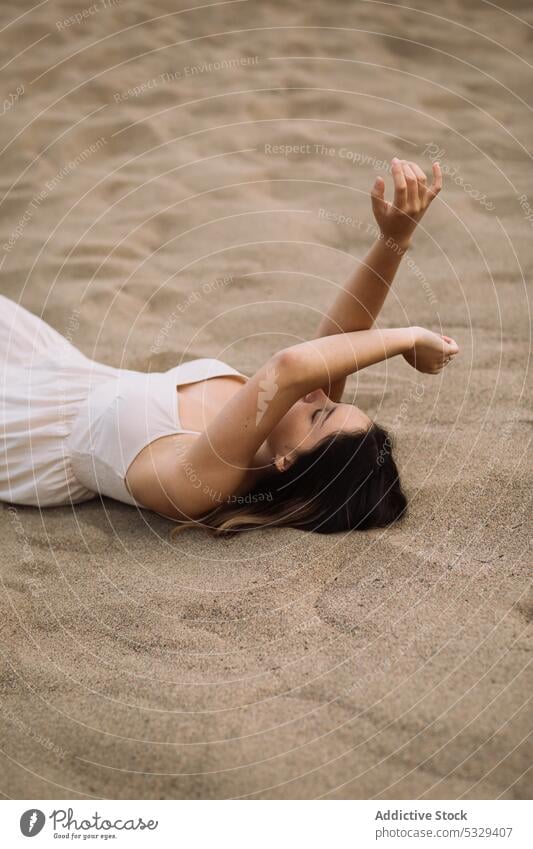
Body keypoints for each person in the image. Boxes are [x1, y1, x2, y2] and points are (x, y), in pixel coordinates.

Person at [0, 158, 458, 535]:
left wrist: (412, 337)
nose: (321, 393)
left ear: (286, 463)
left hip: (20, 433)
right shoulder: (286, 422)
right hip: (52, 367)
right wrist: (394, 240)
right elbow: (342, 337)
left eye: (323, 414)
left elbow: (292, 365)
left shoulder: (205, 482)